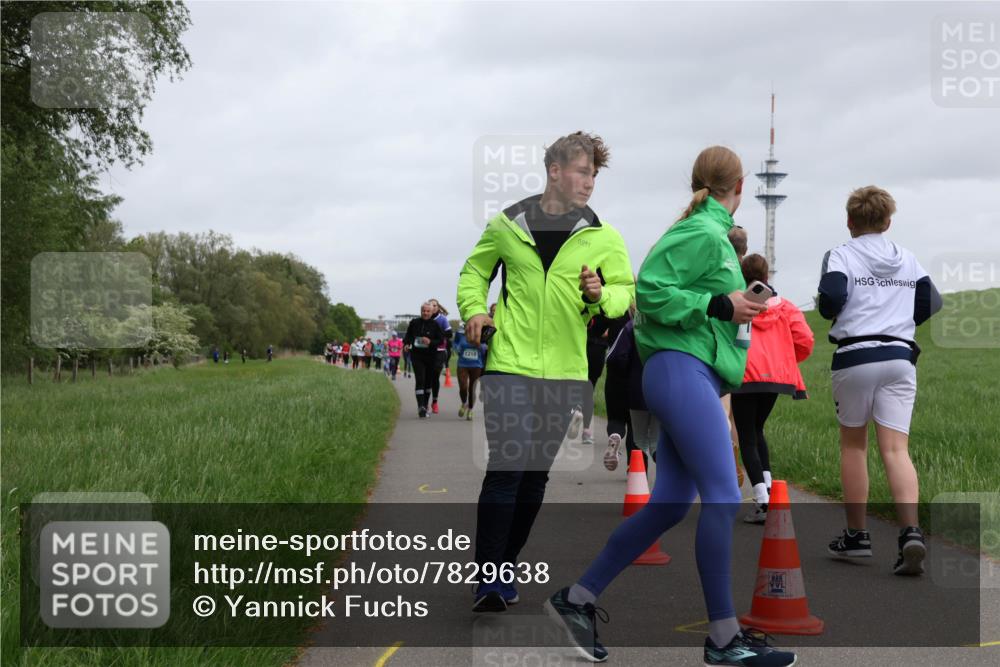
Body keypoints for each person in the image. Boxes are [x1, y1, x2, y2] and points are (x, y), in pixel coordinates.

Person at [547, 146, 796, 666]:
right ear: (742, 186)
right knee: (725, 498)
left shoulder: (715, 236)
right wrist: (720, 304)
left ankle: (577, 599)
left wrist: (732, 307)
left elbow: (701, 304)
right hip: (681, 371)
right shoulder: (703, 233)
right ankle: (724, 639)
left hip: (692, 372)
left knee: (672, 504)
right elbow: (652, 292)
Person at [458, 131, 634, 613]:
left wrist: (602, 296)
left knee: (534, 478)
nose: (589, 183)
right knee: (506, 469)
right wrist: (476, 310)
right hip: (510, 364)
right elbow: (474, 272)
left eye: (594, 175)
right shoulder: (507, 224)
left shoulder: (603, 235)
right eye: (582, 172)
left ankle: (506, 563)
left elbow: (625, 292)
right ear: (554, 171)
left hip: (565, 371)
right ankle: (489, 579)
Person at [818, 185, 942, 575]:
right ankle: (910, 533)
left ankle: (857, 536)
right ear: (888, 221)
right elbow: (930, 301)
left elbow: (831, 300)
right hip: (900, 358)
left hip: (856, 356)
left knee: (854, 446)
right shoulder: (907, 258)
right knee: (895, 450)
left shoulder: (841, 253)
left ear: (850, 221)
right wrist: (899, 322)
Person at [732, 254, 814, 524]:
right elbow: (805, 340)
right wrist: (785, 358)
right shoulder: (786, 307)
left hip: (744, 376)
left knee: (746, 435)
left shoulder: (738, 305)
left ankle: (762, 499)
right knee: (758, 431)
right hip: (775, 378)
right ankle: (767, 491)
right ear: (767, 276)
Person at [403, 303, 445, 418]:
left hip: (431, 356)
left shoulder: (435, 325)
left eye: (428, 311)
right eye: (423, 311)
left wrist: (430, 341)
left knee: (428, 382)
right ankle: (420, 407)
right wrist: (406, 344)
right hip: (417, 356)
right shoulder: (414, 323)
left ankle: (425, 405)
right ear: (421, 311)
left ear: (431, 313)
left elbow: (441, 340)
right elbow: (408, 336)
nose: (425, 313)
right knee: (420, 379)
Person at [453, 325, 487, 420]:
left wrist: (480, 346)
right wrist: (457, 348)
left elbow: (486, 347)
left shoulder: (482, 332)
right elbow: (455, 343)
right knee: (463, 387)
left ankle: (470, 409)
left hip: (477, 365)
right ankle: (464, 403)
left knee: (472, 388)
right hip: (462, 364)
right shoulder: (460, 332)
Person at [428, 299, 453, 414]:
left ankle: (434, 402)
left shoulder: (442, 319)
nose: (432, 307)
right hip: (426, 352)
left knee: (434, 378)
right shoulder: (424, 318)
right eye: (430, 305)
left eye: (435, 305)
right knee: (425, 378)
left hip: (439, 350)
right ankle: (424, 403)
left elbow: (449, 333)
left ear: (438, 307)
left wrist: (438, 335)